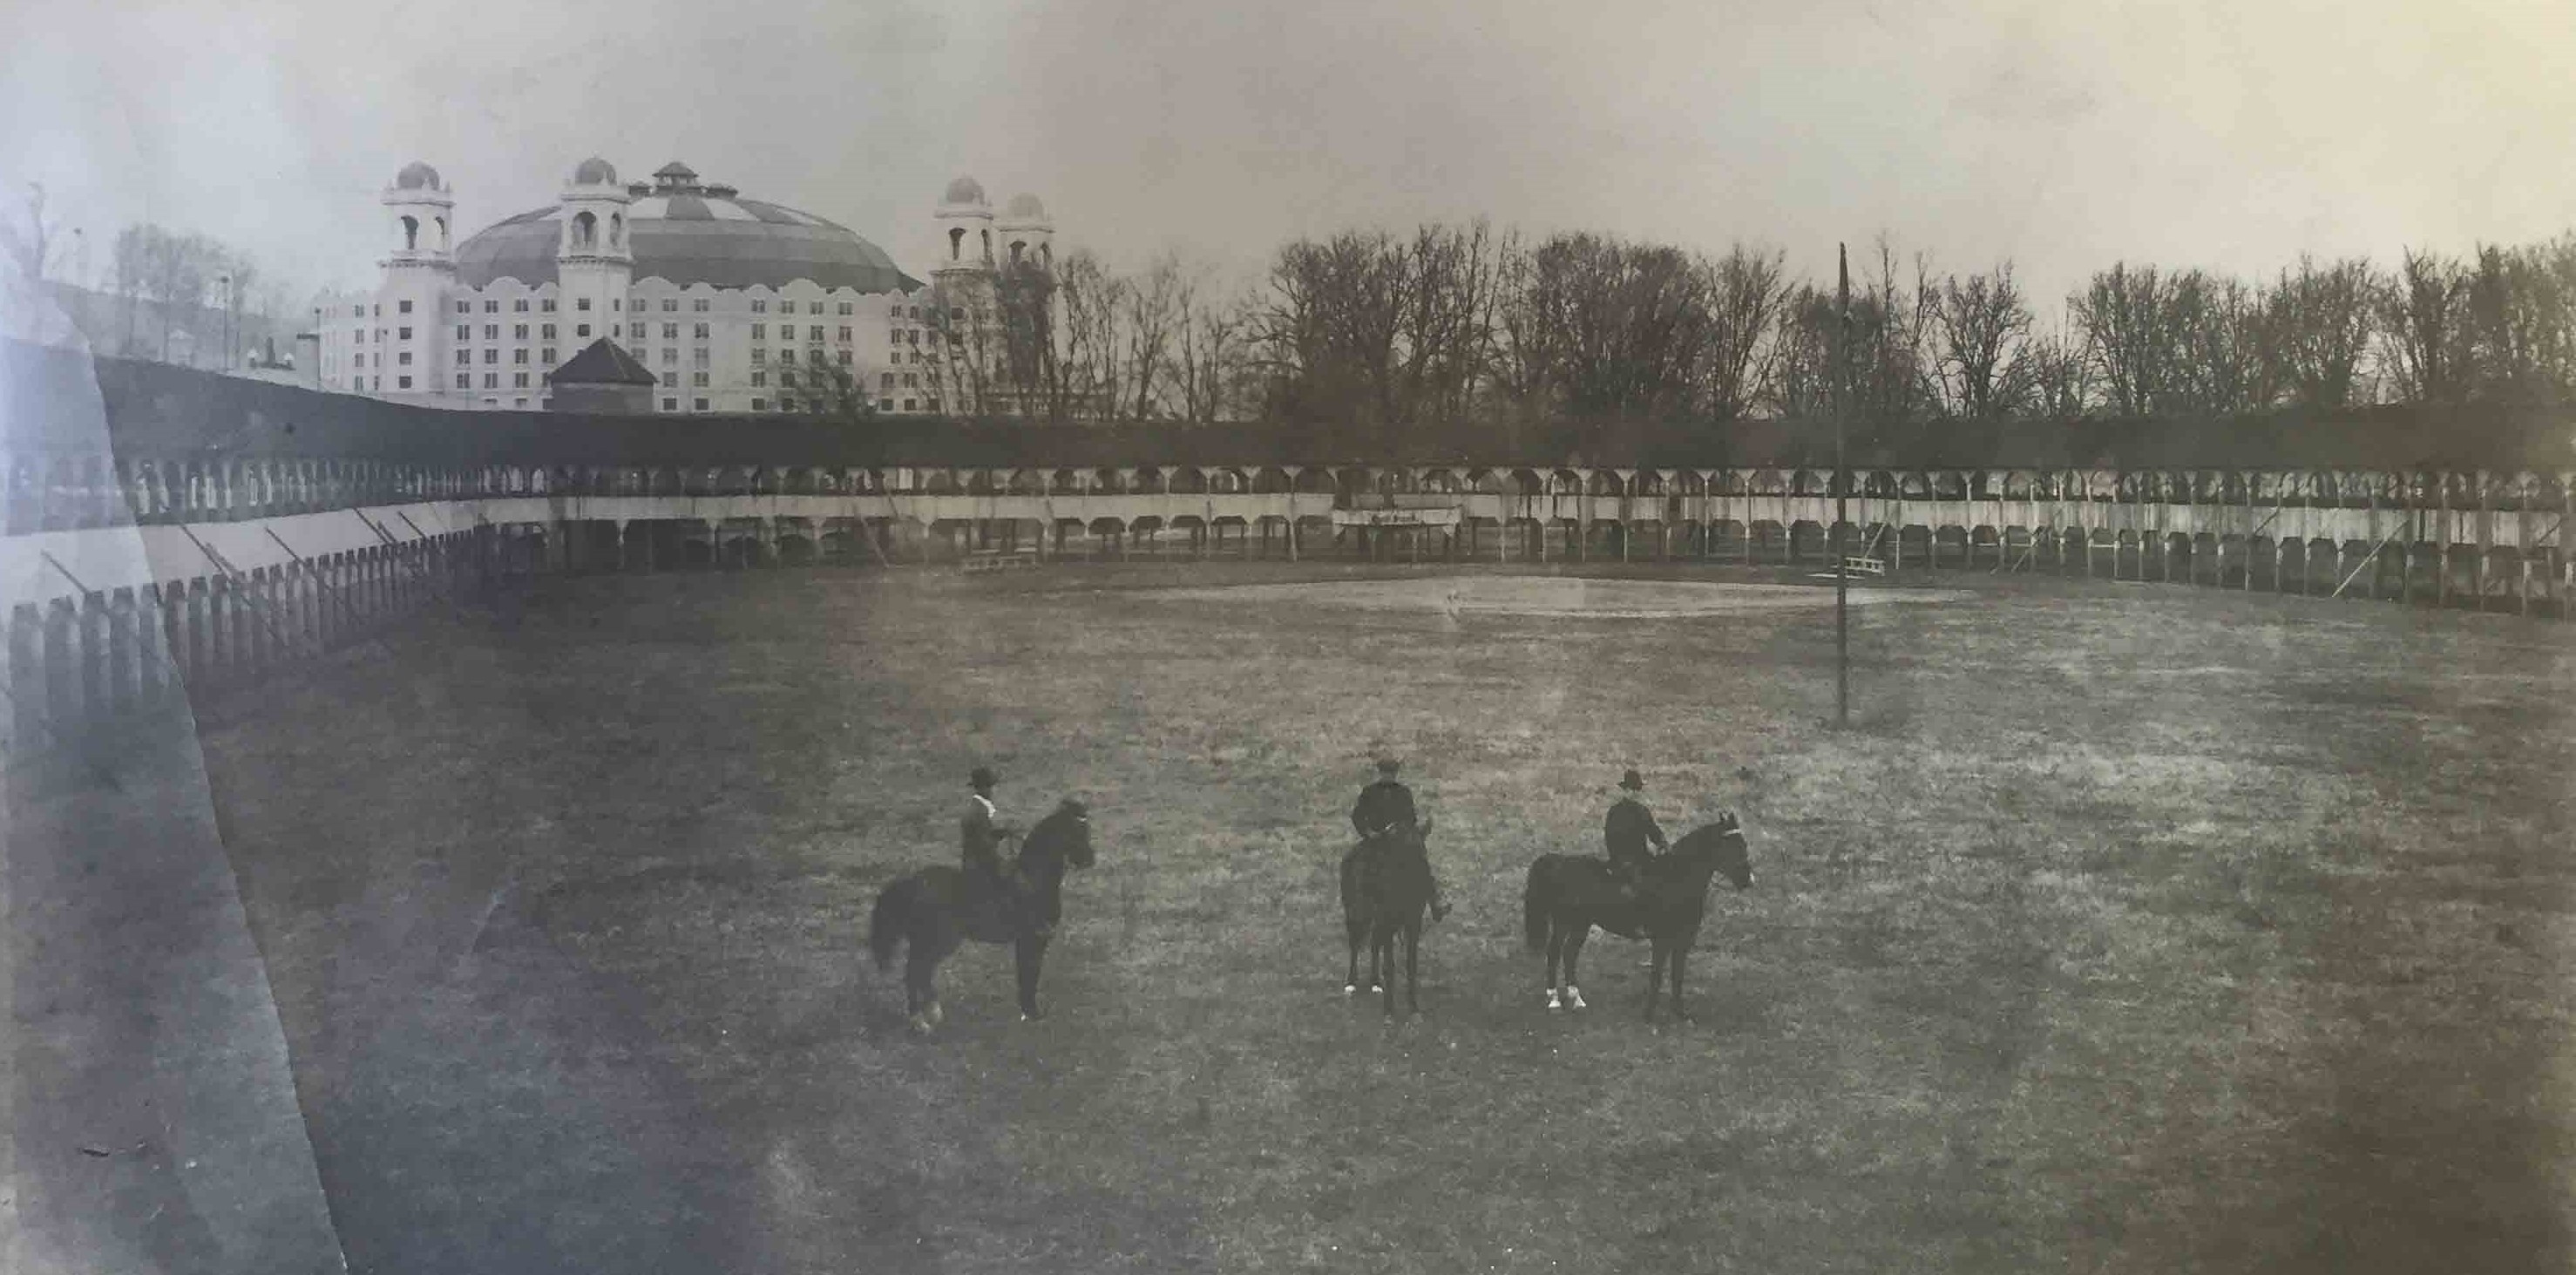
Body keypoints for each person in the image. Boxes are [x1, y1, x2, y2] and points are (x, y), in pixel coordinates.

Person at [1351, 756, 1449, 922]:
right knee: (1352, 862)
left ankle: (1435, 903)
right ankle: (1356, 907)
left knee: (1420, 862)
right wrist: (1368, 832)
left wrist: (1408, 831)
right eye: (1385, 773)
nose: (1388, 776)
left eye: (1391, 773)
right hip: (1375, 840)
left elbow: (1410, 818)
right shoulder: (1370, 792)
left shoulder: (1404, 792)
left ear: (1395, 774)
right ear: (1380, 773)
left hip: (1399, 841)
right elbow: (1357, 816)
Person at [961, 765, 1037, 933]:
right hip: (980, 862)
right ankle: (1022, 923)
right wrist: (1001, 860)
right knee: (1018, 879)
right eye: (989, 786)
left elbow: (982, 835)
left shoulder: (977, 808)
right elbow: (982, 844)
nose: (992, 790)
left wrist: (1002, 833)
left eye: (991, 786)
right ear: (982, 788)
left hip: (976, 858)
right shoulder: (978, 811)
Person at [1603, 768, 1668, 909]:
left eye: (1636, 790)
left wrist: (1663, 844)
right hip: (1631, 861)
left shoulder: (1638, 811)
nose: (1633, 793)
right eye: (1631, 789)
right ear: (1625, 790)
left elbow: (1655, 834)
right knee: (1645, 890)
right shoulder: (1622, 811)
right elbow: (1610, 838)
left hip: (1632, 860)